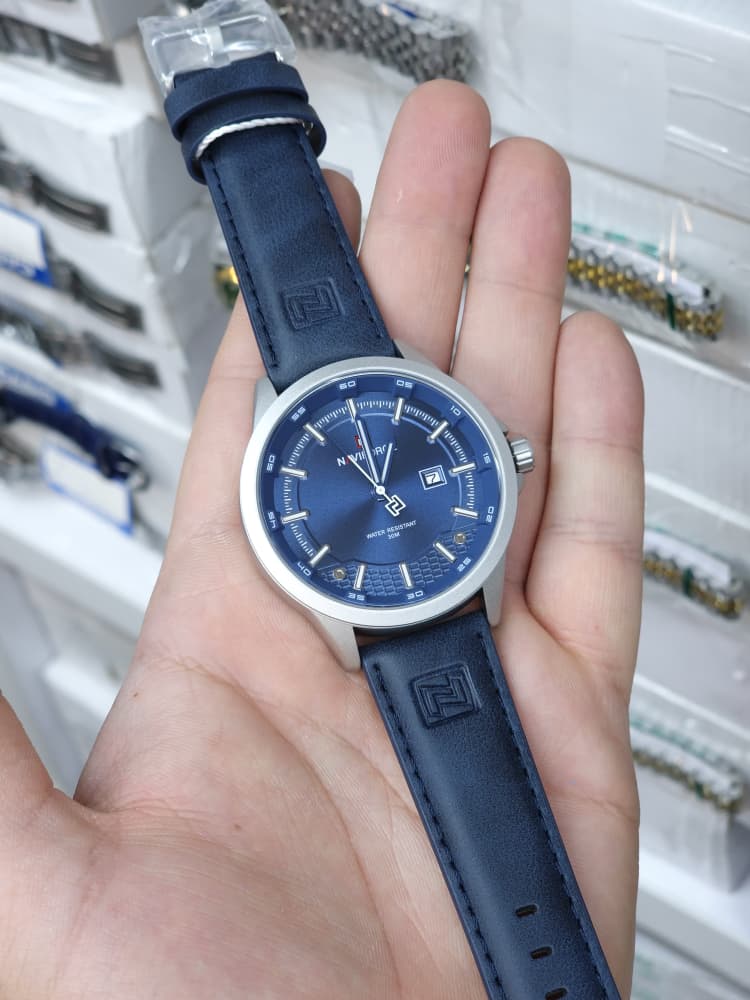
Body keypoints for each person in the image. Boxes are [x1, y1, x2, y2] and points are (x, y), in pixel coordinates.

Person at [0, 82, 642, 998]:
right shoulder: (349, 551)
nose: (380, 494)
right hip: (389, 598)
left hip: (440, 580)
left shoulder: (438, 507)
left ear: (502, 456)